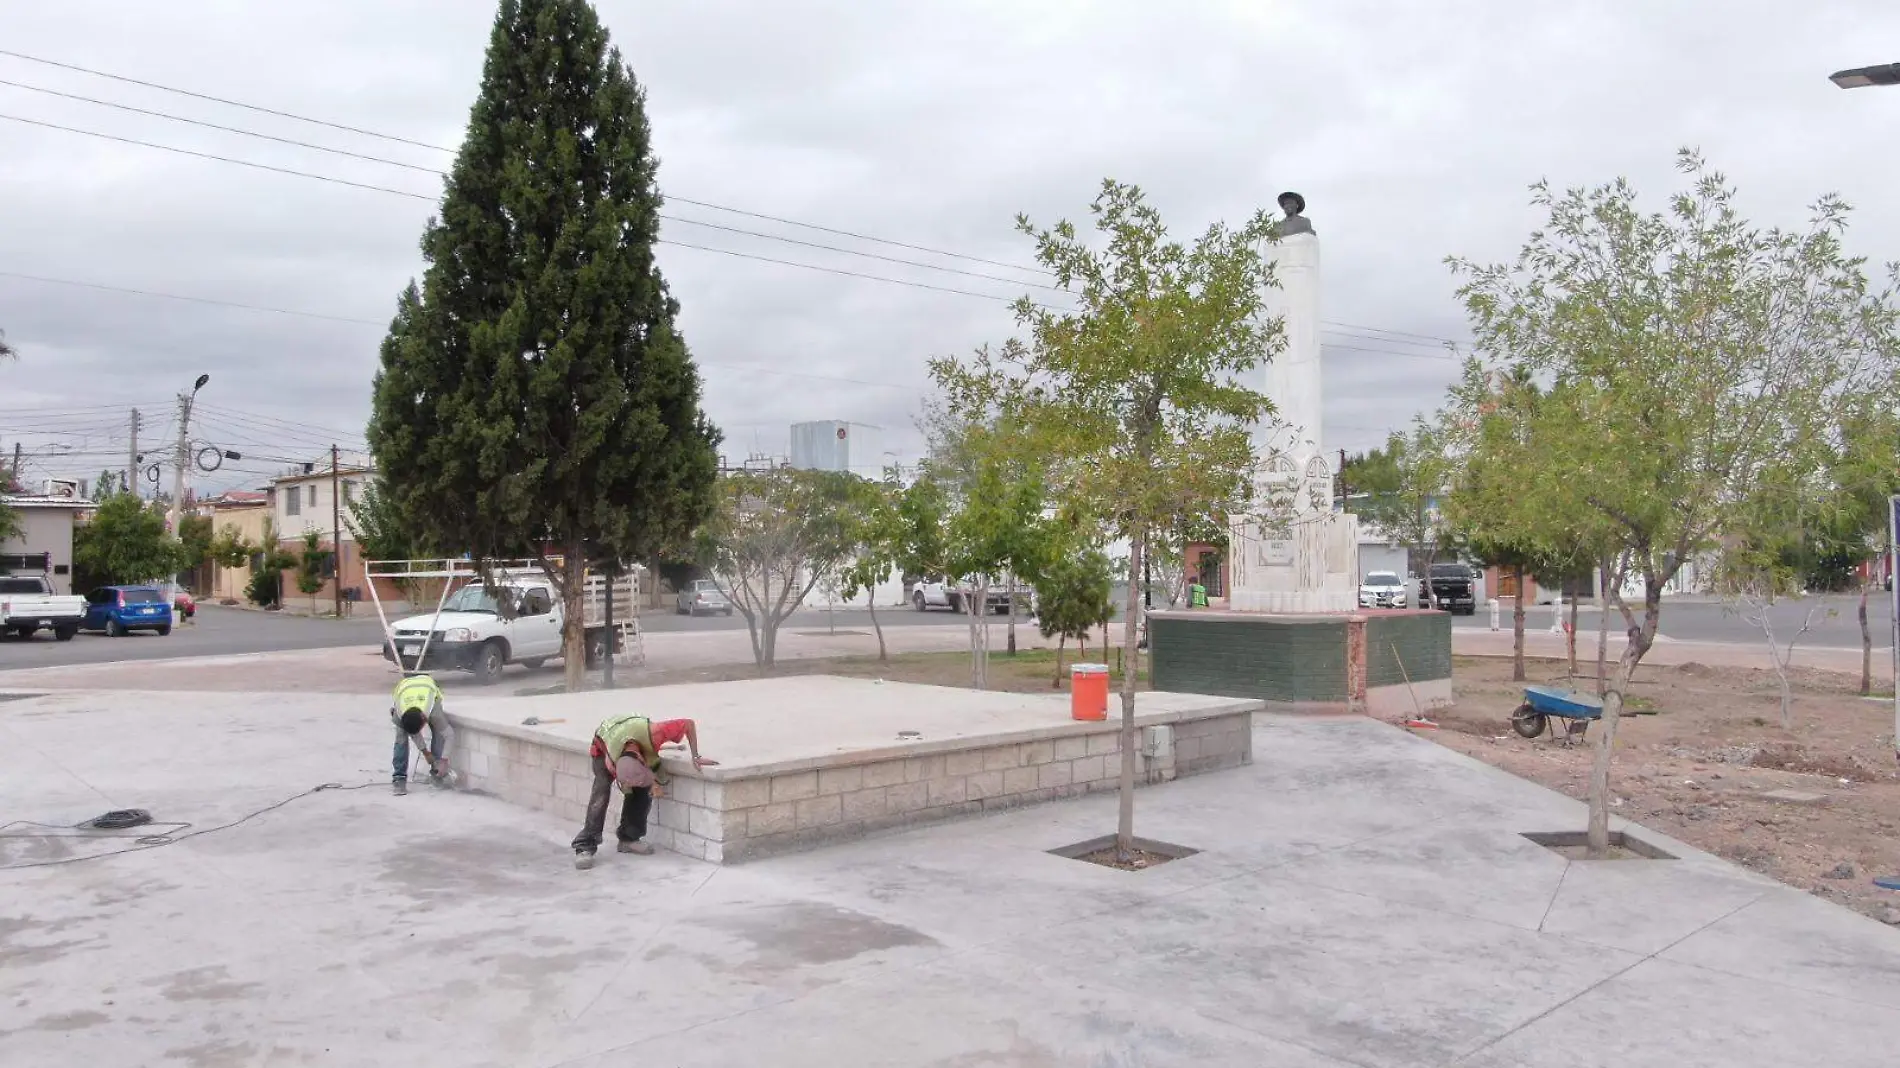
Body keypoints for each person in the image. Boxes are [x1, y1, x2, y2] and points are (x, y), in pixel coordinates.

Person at [572, 712, 716, 870]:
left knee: (641, 790)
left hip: (631, 731)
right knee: (601, 793)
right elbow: (626, 783)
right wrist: (639, 783)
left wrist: (696, 756)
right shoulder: (610, 762)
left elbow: (688, 723)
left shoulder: (654, 733)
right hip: (603, 745)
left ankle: (629, 838)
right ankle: (585, 845)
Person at [390, 672, 453, 797]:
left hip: (426, 685)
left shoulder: (433, 711)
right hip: (404, 688)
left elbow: (450, 735)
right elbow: (413, 732)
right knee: (400, 739)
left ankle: (437, 773)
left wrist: (444, 760)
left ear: (424, 718)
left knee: (439, 732)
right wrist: (425, 752)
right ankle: (399, 778)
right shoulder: (399, 713)